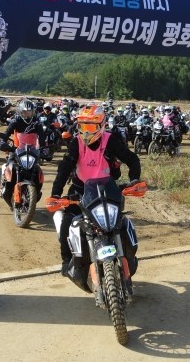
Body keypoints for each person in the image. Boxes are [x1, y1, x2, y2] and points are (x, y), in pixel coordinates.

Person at [49, 105, 141, 293]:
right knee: (67, 222)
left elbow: (132, 159)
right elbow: (64, 168)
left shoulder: (110, 140)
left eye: (90, 127)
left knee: (121, 224)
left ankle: (128, 256)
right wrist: (56, 193)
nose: (85, 132)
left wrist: (134, 180)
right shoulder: (76, 143)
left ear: (101, 126)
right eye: (82, 126)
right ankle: (67, 261)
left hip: (108, 190)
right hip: (81, 190)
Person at [0, 99, 46, 209]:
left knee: (37, 170)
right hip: (17, 149)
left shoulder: (36, 122)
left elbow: (42, 137)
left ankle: (36, 191)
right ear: (20, 112)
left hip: (32, 150)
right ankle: (3, 185)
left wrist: (43, 148)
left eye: (30, 112)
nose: (28, 114)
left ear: (33, 112)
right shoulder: (16, 120)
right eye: (25, 112)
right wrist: (3, 142)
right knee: (9, 165)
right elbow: (7, 133)